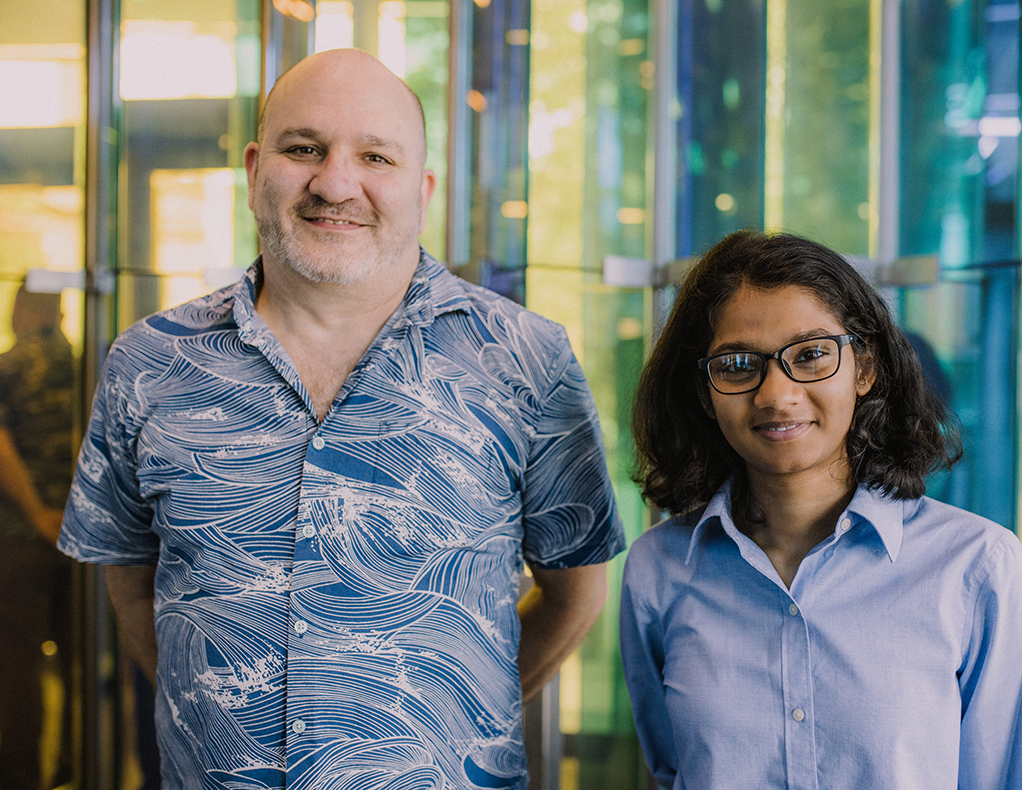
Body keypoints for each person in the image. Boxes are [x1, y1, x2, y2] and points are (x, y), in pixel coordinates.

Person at [58, 48, 624, 790]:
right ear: (256, 169)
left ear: (420, 189)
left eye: (374, 156)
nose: (335, 183)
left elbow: (575, 589)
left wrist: (459, 719)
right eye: (303, 149)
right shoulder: (148, 361)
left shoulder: (525, 359)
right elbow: (130, 579)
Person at [619, 230, 1022, 790]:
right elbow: (672, 771)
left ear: (863, 370)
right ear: (706, 392)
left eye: (812, 354)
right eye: (738, 363)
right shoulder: (659, 568)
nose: (776, 394)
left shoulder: (977, 564)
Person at [0, 287, 76, 790]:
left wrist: (38, 514)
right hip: (83, 537)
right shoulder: (93, 366)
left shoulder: (2, 369)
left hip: (16, 535)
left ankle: (20, 774)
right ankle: (80, 758)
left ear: (21, 311)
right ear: (61, 311)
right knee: (78, 658)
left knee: (15, 662)